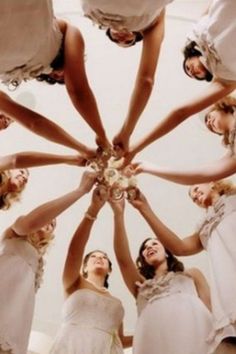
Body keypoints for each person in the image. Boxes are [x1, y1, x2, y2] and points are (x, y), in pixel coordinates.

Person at [126, 184, 236, 352]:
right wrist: (144, 208)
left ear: (212, 182)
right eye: (192, 196)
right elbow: (180, 247)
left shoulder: (232, 202)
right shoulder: (205, 229)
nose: (194, 195)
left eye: (196, 187)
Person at [123, 0, 236, 163]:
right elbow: (181, 112)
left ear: (190, 54)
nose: (193, 71)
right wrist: (136, 147)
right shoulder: (226, 78)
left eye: (187, 68)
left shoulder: (197, 32)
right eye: (196, 76)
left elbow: (211, 8)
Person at [0, 171, 97, 354]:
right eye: (46, 219)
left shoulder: (37, 262)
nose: (49, 222)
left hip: (17, 317)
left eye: (53, 224)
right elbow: (29, 223)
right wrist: (81, 190)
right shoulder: (14, 233)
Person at [109, 196, 215, 354]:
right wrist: (118, 214)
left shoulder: (192, 274)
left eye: (154, 243)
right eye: (145, 248)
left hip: (196, 336)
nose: (149, 247)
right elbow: (123, 260)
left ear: (167, 252)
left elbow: (211, 309)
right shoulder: (141, 285)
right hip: (154, 340)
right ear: (144, 258)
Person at [0, 0, 109, 149]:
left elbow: (34, 123)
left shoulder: (13, 70)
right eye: (65, 77)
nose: (61, 76)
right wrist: (101, 135)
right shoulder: (66, 30)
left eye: (56, 78)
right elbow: (78, 92)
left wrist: (82, 149)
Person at [81, 0, 174, 153]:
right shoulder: (151, 22)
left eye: (117, 39)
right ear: (138, 33)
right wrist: (126, 132)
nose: (121, 37)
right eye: (127, 40)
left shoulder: (95, 14)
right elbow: (146, 80)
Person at [50, 187, 132, 354]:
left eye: (104, 257)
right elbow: (75, 250)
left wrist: (154, 331)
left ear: (109, 269)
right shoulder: (74, 282)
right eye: (93, 257)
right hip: (73, 344)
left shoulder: (116, 302)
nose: (99, 258)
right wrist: (92, 210)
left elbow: (120, 340)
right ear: (84, 267)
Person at [131, 95, 236, 185]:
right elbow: (201, 174)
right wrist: (146, 167)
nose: (208, 122)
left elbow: (180, 113)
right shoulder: (233, 151)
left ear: (220, 106)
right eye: (209, 127)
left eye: (208, 117)